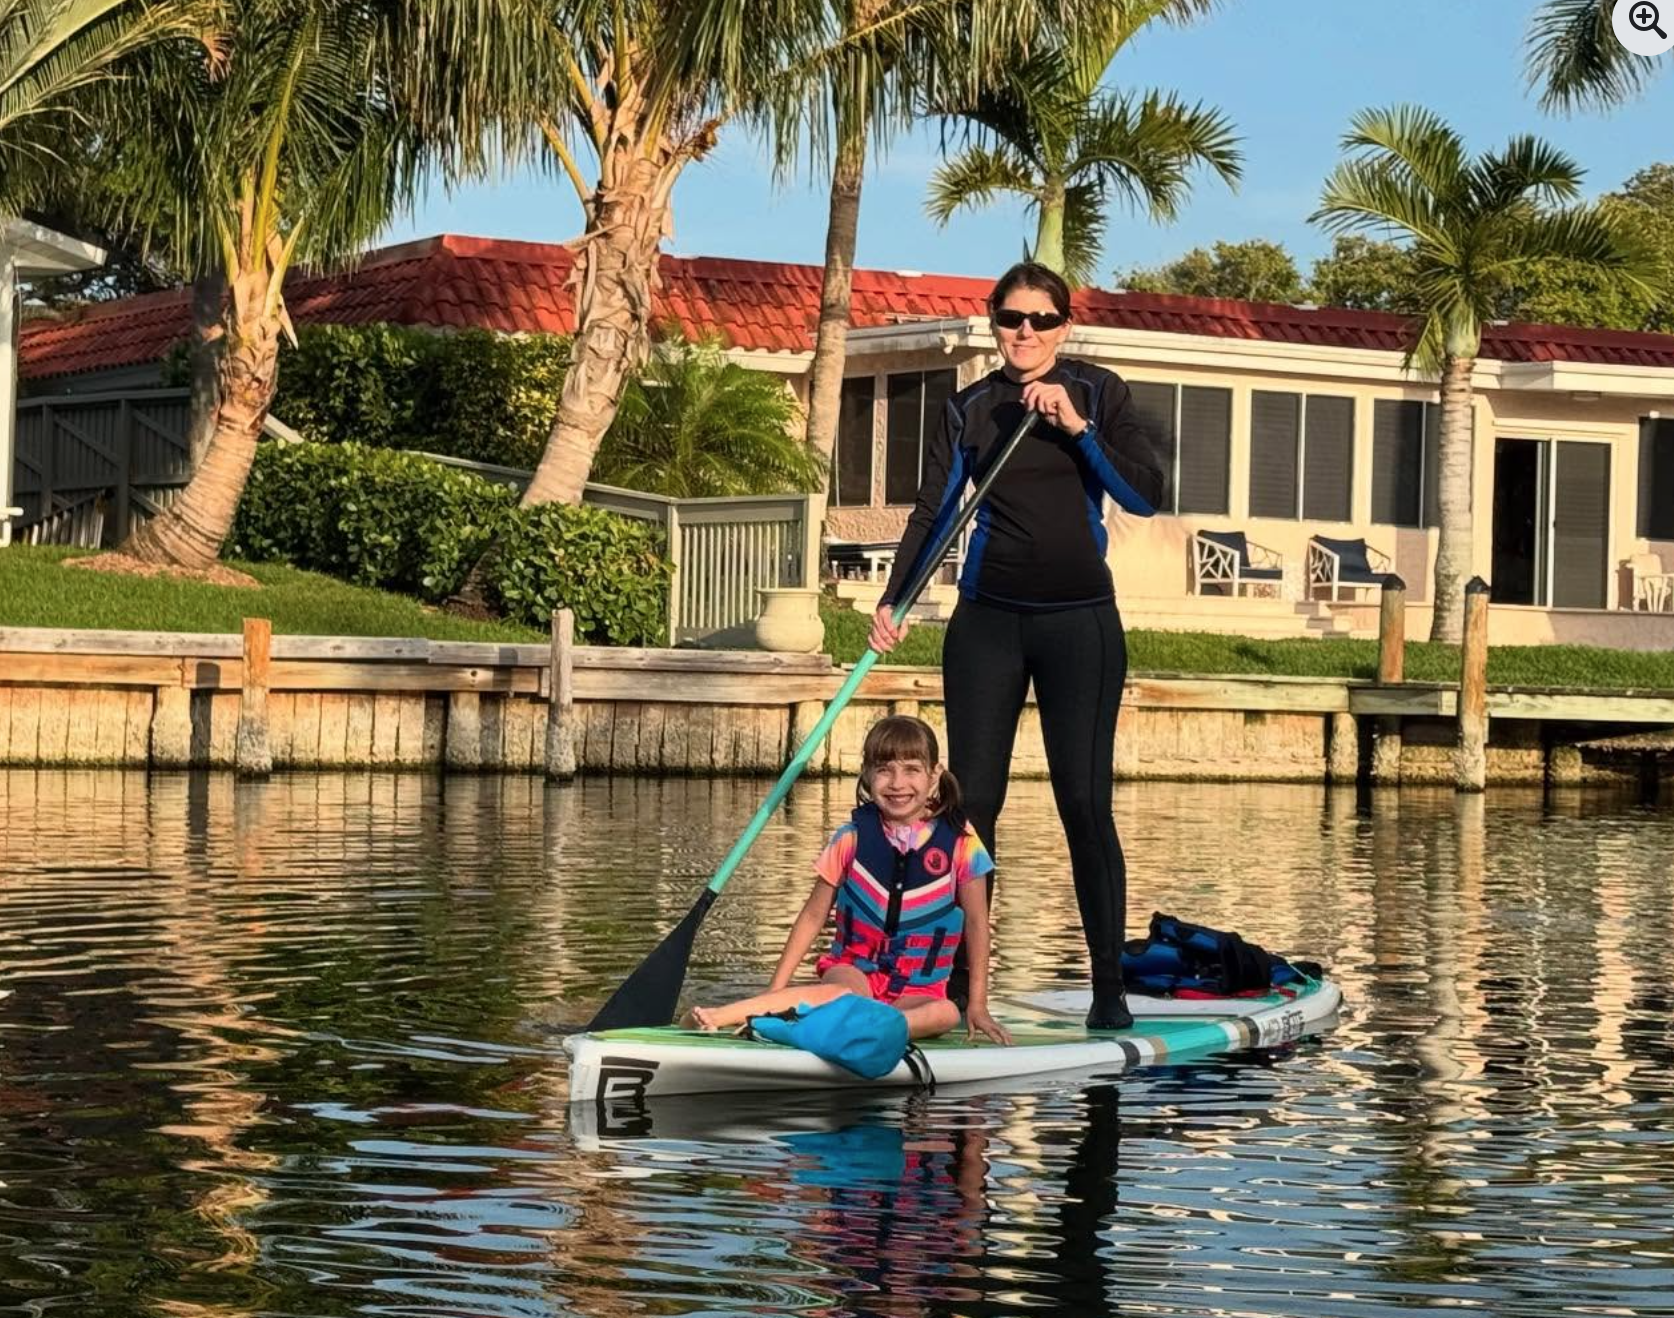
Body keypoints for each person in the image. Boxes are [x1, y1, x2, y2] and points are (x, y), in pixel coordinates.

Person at [868, 260, 1167, 1032]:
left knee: (1082, 804)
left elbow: (1144, 494)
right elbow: (934, 510)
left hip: (1080, 625)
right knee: (974, 808)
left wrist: (1078, 427)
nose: (1024, 333)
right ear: (994, 323)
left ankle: (1109, 994)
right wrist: (894, 599)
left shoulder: (1100, 392)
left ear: (1064, 326)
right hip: (988, 623)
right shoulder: (970, 407)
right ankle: (963, 998)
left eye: (1040, 320)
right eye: (1010, 319)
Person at [681, 715, 1013, 1046]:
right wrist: (776, 988)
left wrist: (978, 1005)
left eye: (911, 769)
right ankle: (721, 1016)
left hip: (917, 989)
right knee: (840, 994)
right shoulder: (850, 839)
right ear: (867, 775)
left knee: (945, 1013)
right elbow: (812, 917)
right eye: (884, 770)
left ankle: (841, 1029)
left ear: (934, 776)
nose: (898, 783)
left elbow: (977, 923)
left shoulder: (962, 844)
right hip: (855, 970)